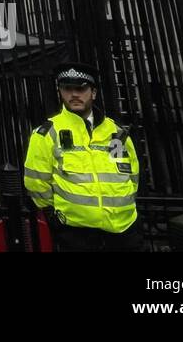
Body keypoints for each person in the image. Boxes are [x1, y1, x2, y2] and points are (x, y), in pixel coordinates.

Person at [23, 62, 142, 252]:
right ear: (60, 92)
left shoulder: (116, 133)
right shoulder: (48, 133)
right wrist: (55, 216)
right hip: (76, 233)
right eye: (67, 89)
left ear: (93, 93)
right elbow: (36, 182)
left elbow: (131, 175)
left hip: (124, 229)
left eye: (81, 88)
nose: (74, 94)